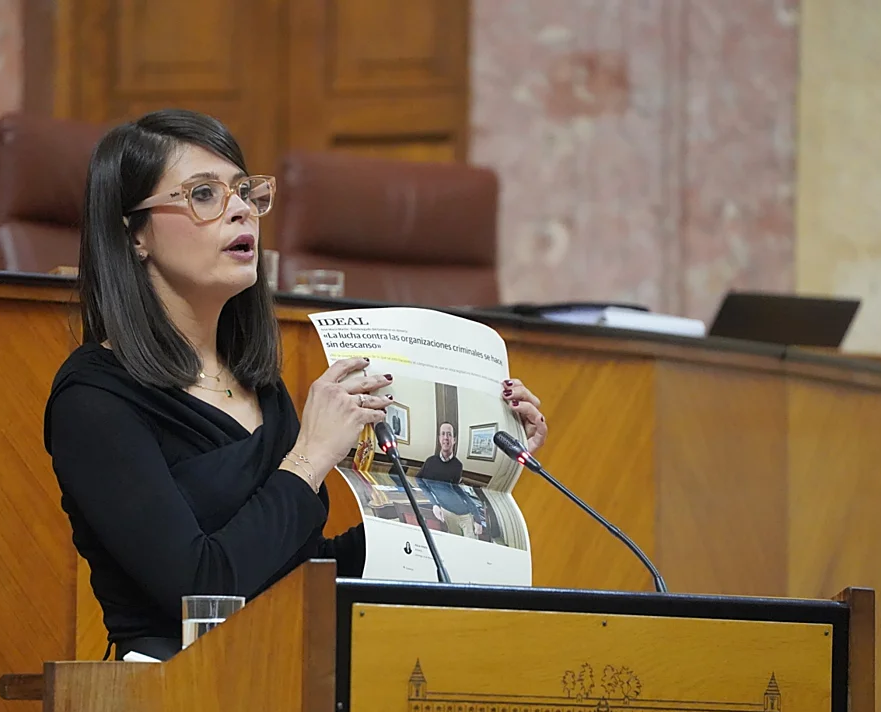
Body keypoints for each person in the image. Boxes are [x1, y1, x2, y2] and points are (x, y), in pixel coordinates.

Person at [42, 109, 548, 661]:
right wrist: (309, 458)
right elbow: (199, 589)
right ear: (134, 234)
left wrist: (476, 481)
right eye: (204, 195)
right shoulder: (94, 400)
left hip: (293, 677)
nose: (240, 210)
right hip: (177, 703)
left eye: (243, 191)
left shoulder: (257, 384)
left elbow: (299, 573)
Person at [415, 422, 485, 538]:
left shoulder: (458, 465)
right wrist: (434, 504)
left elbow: (458, 491)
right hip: (446, 513)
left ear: (454, 440)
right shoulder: (430, 462)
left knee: (472, 544)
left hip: (465, 513)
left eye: (449, 434)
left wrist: (477, 518)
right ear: (439, 439)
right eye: (443, 434)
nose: (446, 438)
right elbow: (419, 481)